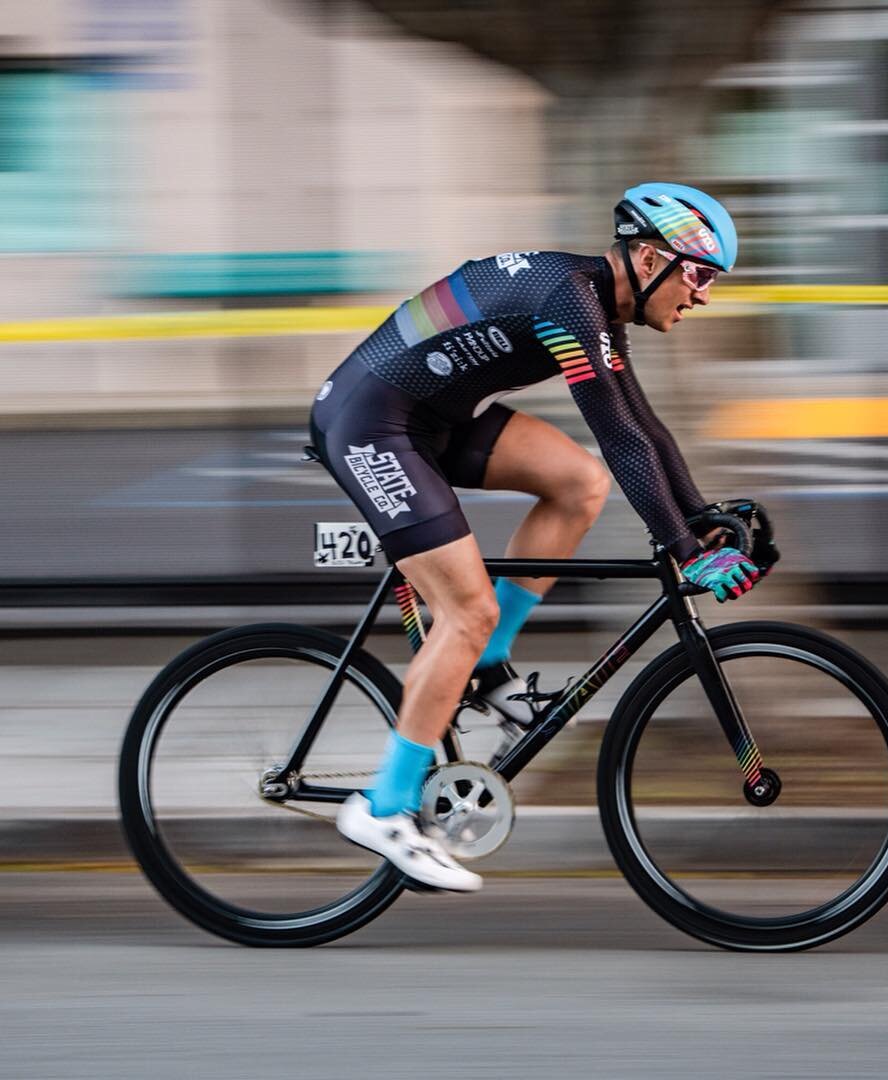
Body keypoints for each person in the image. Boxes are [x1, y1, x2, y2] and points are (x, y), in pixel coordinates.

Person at [309, 182, 761, 892]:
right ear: (648, 259)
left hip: (434, 418)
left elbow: (645, 428)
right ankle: (384, 805)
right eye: (699, 275)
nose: (702, 295)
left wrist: (701, 518)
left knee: (578, 483)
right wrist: (686, 552)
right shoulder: (569, 303)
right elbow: (620, 437)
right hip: (373, 426)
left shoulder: (596, 305)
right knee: (465, 609)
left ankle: (486, 665)